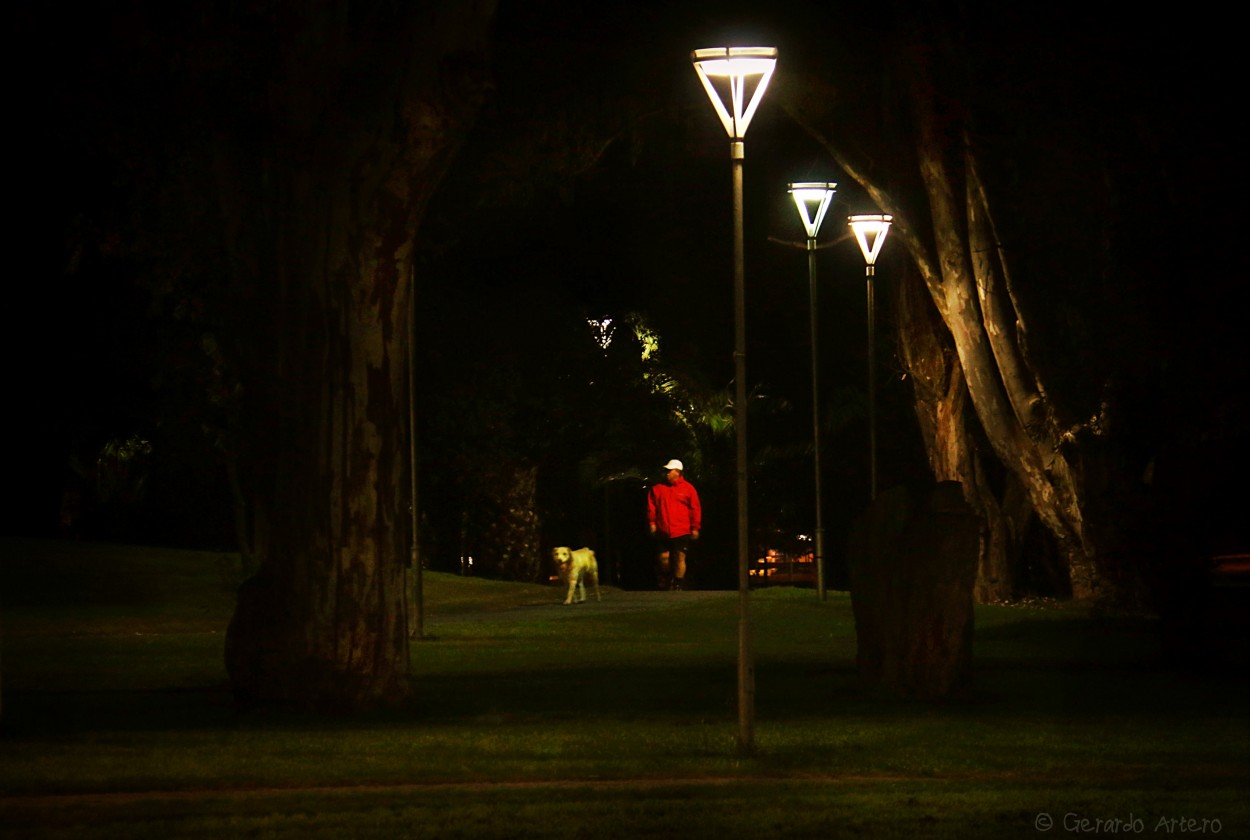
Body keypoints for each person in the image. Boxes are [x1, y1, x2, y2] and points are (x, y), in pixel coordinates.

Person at [647, 458, 701, 590]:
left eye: (669, 471)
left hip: (681, 529)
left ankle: (678, 584)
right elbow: (651, 507)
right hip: (663, 529)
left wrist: (695, 527)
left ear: (677, 472)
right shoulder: (657, 489)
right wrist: (652, 522)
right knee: (664, 557)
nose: (667, 473)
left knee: (680, 557)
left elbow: (695, 508)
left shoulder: (688, 489)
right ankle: (666, 577)